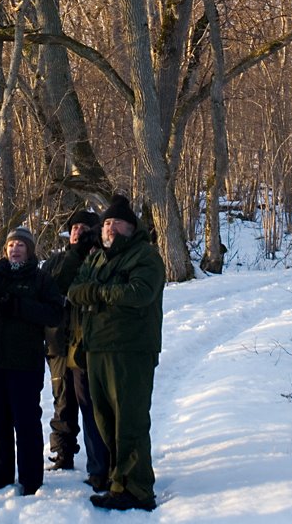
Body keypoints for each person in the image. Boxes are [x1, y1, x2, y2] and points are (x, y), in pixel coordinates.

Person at [68, 194, 165, 513]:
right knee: (105, 421)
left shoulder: (145, 255)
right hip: (96, 348)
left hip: (131, 350)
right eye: (106, 222)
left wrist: (98, 293)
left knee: (131, 421)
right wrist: (103, 293)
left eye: (115, 222)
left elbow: (139, 293)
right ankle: (118, 481)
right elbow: (74, 289)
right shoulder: (96, 258)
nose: (108, 227)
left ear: (130, 226)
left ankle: (138, 489)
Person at [0, 226, 63, 496]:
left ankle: (31, 478)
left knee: (27, 423)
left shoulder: (40, 279)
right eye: (11, 245)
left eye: (21, 245)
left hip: (26, 363)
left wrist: (20, 307)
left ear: (30, 249)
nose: (15, 249)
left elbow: (55, 313)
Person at [43, 209, 110, 490]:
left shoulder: (100, 260)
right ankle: (63, 452)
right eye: (73, 228)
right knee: (62, 401)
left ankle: (99, 464)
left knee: (90, 405)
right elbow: (51, 290)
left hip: (87, 344)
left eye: (83, 227)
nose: (77, 232)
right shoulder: (57, 261)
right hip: (58, 342)